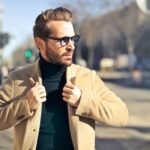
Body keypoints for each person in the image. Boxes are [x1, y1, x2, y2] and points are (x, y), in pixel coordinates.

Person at [0, 7, 129, 150]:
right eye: (63, 40)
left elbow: (121, 115)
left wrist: (82, 101)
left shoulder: (87, 77)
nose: (71, 46)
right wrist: (25, 104)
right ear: (40, 43)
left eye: (73, 39)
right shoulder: (18, 79)